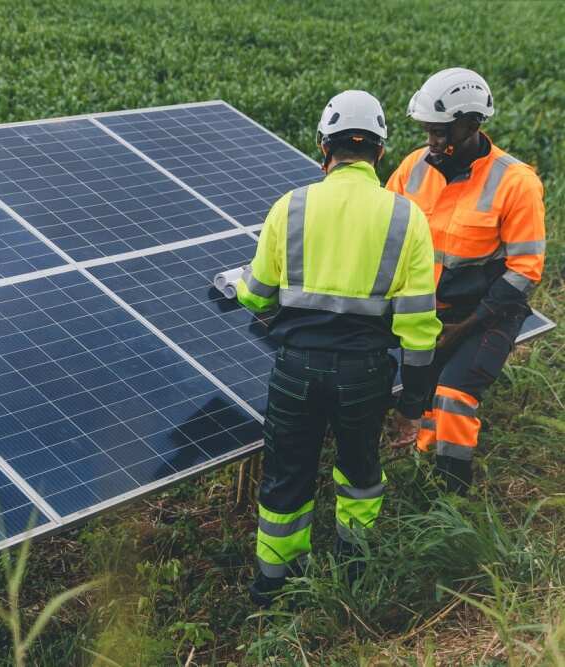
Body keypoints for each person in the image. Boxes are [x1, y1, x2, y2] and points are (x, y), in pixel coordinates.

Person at [234, 90, 442, 606]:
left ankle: (272, 586)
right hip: (365, 373)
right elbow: (419, 326)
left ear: (323, 147)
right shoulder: (406, 218)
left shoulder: (291, 206)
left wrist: (241, 284)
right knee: (359, 469)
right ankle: (354, 568)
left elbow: (257, 295)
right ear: (380, 152)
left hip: (295, 368)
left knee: (287, 475)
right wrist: (412, 405)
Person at [386, 68, 546, 494]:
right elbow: (388, 230)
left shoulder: (516, 182)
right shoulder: (413, 168)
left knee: (454, 394)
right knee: (421, 391)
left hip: (487, 314)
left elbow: (525, 268)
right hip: (430, 310)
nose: (431, 142)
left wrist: (466, 326)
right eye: (427, 131)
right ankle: (423, 460)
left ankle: (452, 497)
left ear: (473, 124)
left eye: (440, 132)